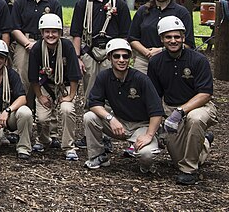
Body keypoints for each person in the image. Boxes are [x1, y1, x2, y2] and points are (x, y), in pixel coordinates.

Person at [148, 16, 217, 185]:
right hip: (171, 108)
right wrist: (154, 123)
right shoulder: (156, 62)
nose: (173, 40)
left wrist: (180, 111)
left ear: (183, 37)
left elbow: (205, 94)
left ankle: (190, 171)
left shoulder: (198, 60)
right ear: (162, 39)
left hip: (200, 106)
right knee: (178, 159)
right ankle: (204, 142)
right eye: (168, 37)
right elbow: (154, 95)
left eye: (177, 36)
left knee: (195, 120)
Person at [83, 38, 164, 172]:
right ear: (109, 57)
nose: (121, 60)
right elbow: (93, 103)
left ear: (130, 58)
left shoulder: (141, 79)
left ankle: (146, 166)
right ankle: (98, 156)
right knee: (90, 117)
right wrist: (111, 119)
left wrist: (149, 135)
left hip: (141, 126)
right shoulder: (104, 77)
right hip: (119, 122)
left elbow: (157, 112)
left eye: (125, 56)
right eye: (117, 56)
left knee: (147, 154)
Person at [70, 0, 131, 101]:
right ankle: (89, 120)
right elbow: (76, 33)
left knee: (113, 93)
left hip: (112, 53)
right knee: (90, 93)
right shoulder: (82, 4)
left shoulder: (119, 4)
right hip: (90, 52)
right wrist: (77, 58)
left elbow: (125, 34)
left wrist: (120, 56)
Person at [29, 13, 81, 161]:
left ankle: (68, 146)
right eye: (47, 31)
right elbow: (33, 77)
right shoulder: (37, 48)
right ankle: (43, 140)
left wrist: (70, 96)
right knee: (42, 118)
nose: (50, 35)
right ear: (41, 33)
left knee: (67, 110)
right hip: (45, 85)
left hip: (64, 86)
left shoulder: (67, 46)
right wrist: (40, 96)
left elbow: (74, 75)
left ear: (60, 33)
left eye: (54, 31)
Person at [10, 0, 63, 108]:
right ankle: (24, 111)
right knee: (23, 75)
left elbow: (59, 29)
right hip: (24, 42)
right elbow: (14, 28)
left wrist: (41, 44)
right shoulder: (20, 2)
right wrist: (28, 43)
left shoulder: (54, 4)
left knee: (48, 76)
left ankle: (45, 112)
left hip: (48, 43)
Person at [129, 0, 195, 74]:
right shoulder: (143, 11)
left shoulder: (181, 12)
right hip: (144, 62)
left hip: (172, 61)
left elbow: (188, 44)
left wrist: (161, 50)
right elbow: (133, 38)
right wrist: (147, 53)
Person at [0, 40, 33, 159]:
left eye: (1, 57)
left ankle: (24, 147)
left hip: (8, 116)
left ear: (6, 59)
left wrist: (8, 111)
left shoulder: (12, 74)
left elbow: (22, 98)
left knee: (25, 112)